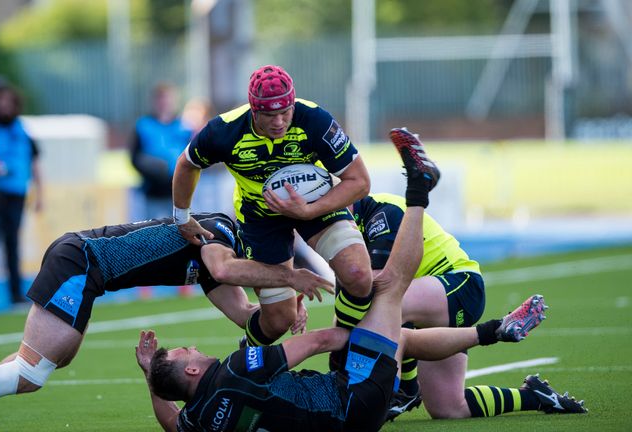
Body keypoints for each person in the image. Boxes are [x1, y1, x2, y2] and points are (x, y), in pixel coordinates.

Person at [134, 135, 584, 432]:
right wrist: (359, 339)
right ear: (192, 371)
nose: (191, 348)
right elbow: (325, 335)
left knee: (410, 355)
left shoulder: (199, 422)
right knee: (387, 296)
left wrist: (153, 377)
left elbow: (172, 423)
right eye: (184, 353)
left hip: (452, 291)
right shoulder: (234, 368)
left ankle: (518, 375)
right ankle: (420, 190)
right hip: (357, 393)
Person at [0, 212, 333, 432]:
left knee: (47, 361)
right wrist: (287, 278)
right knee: (34, 371)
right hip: (79, 262)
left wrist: (285, 307)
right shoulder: (219, 234)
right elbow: (225, 270)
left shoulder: (221, 256)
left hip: (87, 273)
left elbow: (245, 317)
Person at [173, 65, 374, 348]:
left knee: (358, 274)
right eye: (270, 115)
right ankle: (243, 363)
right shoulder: (225, 130)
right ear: (254, 110)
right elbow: (187, 164)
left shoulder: (315, 119)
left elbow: (359, 181)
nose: (279, 122)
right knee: (279, 319)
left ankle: (344, 351)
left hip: (315, 202)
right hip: (259, 217)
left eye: (285, 112)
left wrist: (308, 211)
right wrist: (182, 216)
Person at [351, 190, 586, 420]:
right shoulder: (343, 227)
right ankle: (534, 396)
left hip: (457, 284)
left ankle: (407, 389)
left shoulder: (381, 212)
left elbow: (378, 290)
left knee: (380, 309)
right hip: (423, 301)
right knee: (449, 407)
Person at [0, 86, 43, 308]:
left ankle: (15, 293)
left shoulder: (23, 130)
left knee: (11, 243)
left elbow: (34, 163)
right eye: (0, 101)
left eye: (7, 101)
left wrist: (40, 193)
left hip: (14, 193)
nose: (3, 106)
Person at [131, 83, 194, 219]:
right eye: (161, 99)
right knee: (151, 230)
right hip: (153, 190)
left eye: (167, 99)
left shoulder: (184, 126)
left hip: (181, 191)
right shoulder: (144, 125)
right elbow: (134, 158)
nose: (164, 103)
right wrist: (153, 169)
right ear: (154, 101)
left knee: (181, 230)